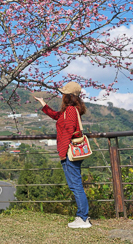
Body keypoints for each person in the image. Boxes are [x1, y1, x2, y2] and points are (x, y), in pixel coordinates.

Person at [33, 81, 91, 229]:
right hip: (68, 152)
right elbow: (57, 116)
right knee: (74, 185)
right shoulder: (69, 111)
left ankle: (83, 218)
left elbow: (68, 132)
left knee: (76, 185)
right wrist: (44, 104)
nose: (62, 96)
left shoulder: (71, 110)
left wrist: (62, 153)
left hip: (69, 152)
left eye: (63, 93)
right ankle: (82, 216)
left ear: (68, 96)